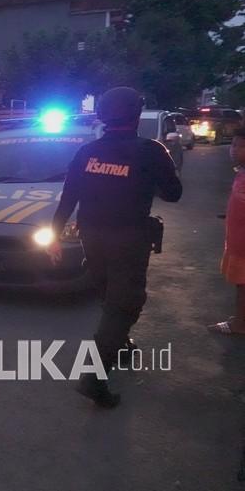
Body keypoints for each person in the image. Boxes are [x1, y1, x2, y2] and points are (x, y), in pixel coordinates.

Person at [47, 86, 182, 408]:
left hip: (91, 237)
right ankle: (93, 377)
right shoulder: (151, 151)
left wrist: (53, 236)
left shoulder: (87, 152)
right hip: (129, 238)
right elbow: (173, 194)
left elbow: (68, 198)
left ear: (102, 116)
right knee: (125, 303)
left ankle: (119, 344)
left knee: (109, 295)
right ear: (136, 115)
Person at [208, 128, 245, 335]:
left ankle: (240, 324)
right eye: (233, 145)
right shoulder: (241, 171)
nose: (234, 150)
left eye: (241, 147)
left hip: (243, 244)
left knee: (242, 284)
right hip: (236, 240)